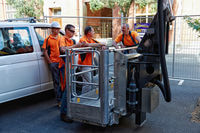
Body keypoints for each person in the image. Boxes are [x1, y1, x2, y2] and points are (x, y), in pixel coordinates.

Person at [59, 24, 82, 123]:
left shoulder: (72, 40)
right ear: (66, 30)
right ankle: (63, 113)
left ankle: (70, 110)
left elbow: (76, 50)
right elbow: (63, 49)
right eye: (72, 31)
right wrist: (75, 46)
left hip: (72, 66)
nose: (73, 33)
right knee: (67, 89)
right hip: (65, 67)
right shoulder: (62, 39)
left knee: (72, 88)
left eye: (74, 31)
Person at [78, 26, 106, 94]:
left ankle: (86, 97)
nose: (94, 32)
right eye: (93, 31)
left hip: (89, 64)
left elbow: (98, 43)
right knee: (87, 83)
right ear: (89, 32)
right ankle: (84, 98)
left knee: (88, 82)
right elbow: (87, 45)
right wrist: (100, 44)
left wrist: (102, 45)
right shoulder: (83, 39)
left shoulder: (91, 39)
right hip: (84, 64)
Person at [42, 21, 63, 107]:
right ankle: (59, 101)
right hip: (54, 63)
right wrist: (50, 62)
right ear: (52, 29)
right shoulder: (47, 39)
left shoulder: (60, 38)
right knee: (56, 82)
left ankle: (64, 99)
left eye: (58, 29)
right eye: (56, 29)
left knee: (63, 81)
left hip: (61, 62)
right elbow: (45, 51)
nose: (57, 30)